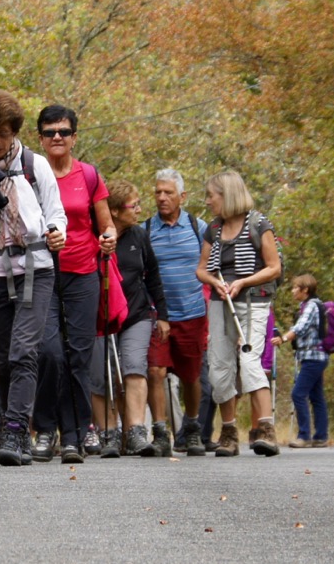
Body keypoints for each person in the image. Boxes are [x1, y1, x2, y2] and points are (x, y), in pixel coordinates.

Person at [0, 91, 67, 465]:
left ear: (14, 130)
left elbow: (55, 213)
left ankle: (13, 431)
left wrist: (57, 231)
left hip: (35, 268)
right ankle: (17, 428)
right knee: (2, 360)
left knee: (25, 351)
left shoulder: (33, 164)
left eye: (3, 134)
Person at [30, 105, 117, 460]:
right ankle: (45, 428)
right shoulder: (29, 175)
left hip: (83, 272)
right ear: (39, 138)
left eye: (63, 132)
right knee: (49, 353)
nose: (56, 138)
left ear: (74, 137)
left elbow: (106, 223)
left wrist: (109, 237)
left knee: (79, 355)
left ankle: (77, 432)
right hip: (41, 272)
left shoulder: (89, 175)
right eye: (50, 132)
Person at [195, 169, 281, 457]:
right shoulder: (213, 229)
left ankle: (266, 429)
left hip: (254, 301)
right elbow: (202, 269)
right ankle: (229, 432)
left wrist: (243, 281)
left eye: (211, 196)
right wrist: (215, 283)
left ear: (227, 196)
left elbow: (273, 267)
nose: (207, 202)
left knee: (250, 360)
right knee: (219, 365)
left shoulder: (258, 224)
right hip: (221, 303)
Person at [144, 169, 210, 457]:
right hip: (158, 316)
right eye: (158, 192)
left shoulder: (199, 227)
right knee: (155, 371)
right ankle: (161, 432)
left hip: (193, 314)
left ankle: (192, 429)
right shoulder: (145, 230)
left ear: (182, 196)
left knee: (191, 376)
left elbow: (214, 267)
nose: (161, 197)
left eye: (168, 192)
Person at [105, 180, 168, 457]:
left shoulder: (139, 236)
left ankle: (136, 432)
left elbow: (153, 275)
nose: (140, 209)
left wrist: (163, 315)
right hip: (103, 316)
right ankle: (110, 431)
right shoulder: (98, 234)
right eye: (134, 205)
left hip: (137, 313)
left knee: (134, 367)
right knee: (106, 374)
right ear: (117, 211)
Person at [271, 274, 330, 447]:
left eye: (296, 287)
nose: (293, 290)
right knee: (316, 396)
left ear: (305, 290)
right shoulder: (307, 305)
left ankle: (304, 436)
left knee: (298, 393)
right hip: (315, 356)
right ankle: (320, 436)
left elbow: (301, 327)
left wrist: (283, 338)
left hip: (313, 357)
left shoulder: (311, 305)